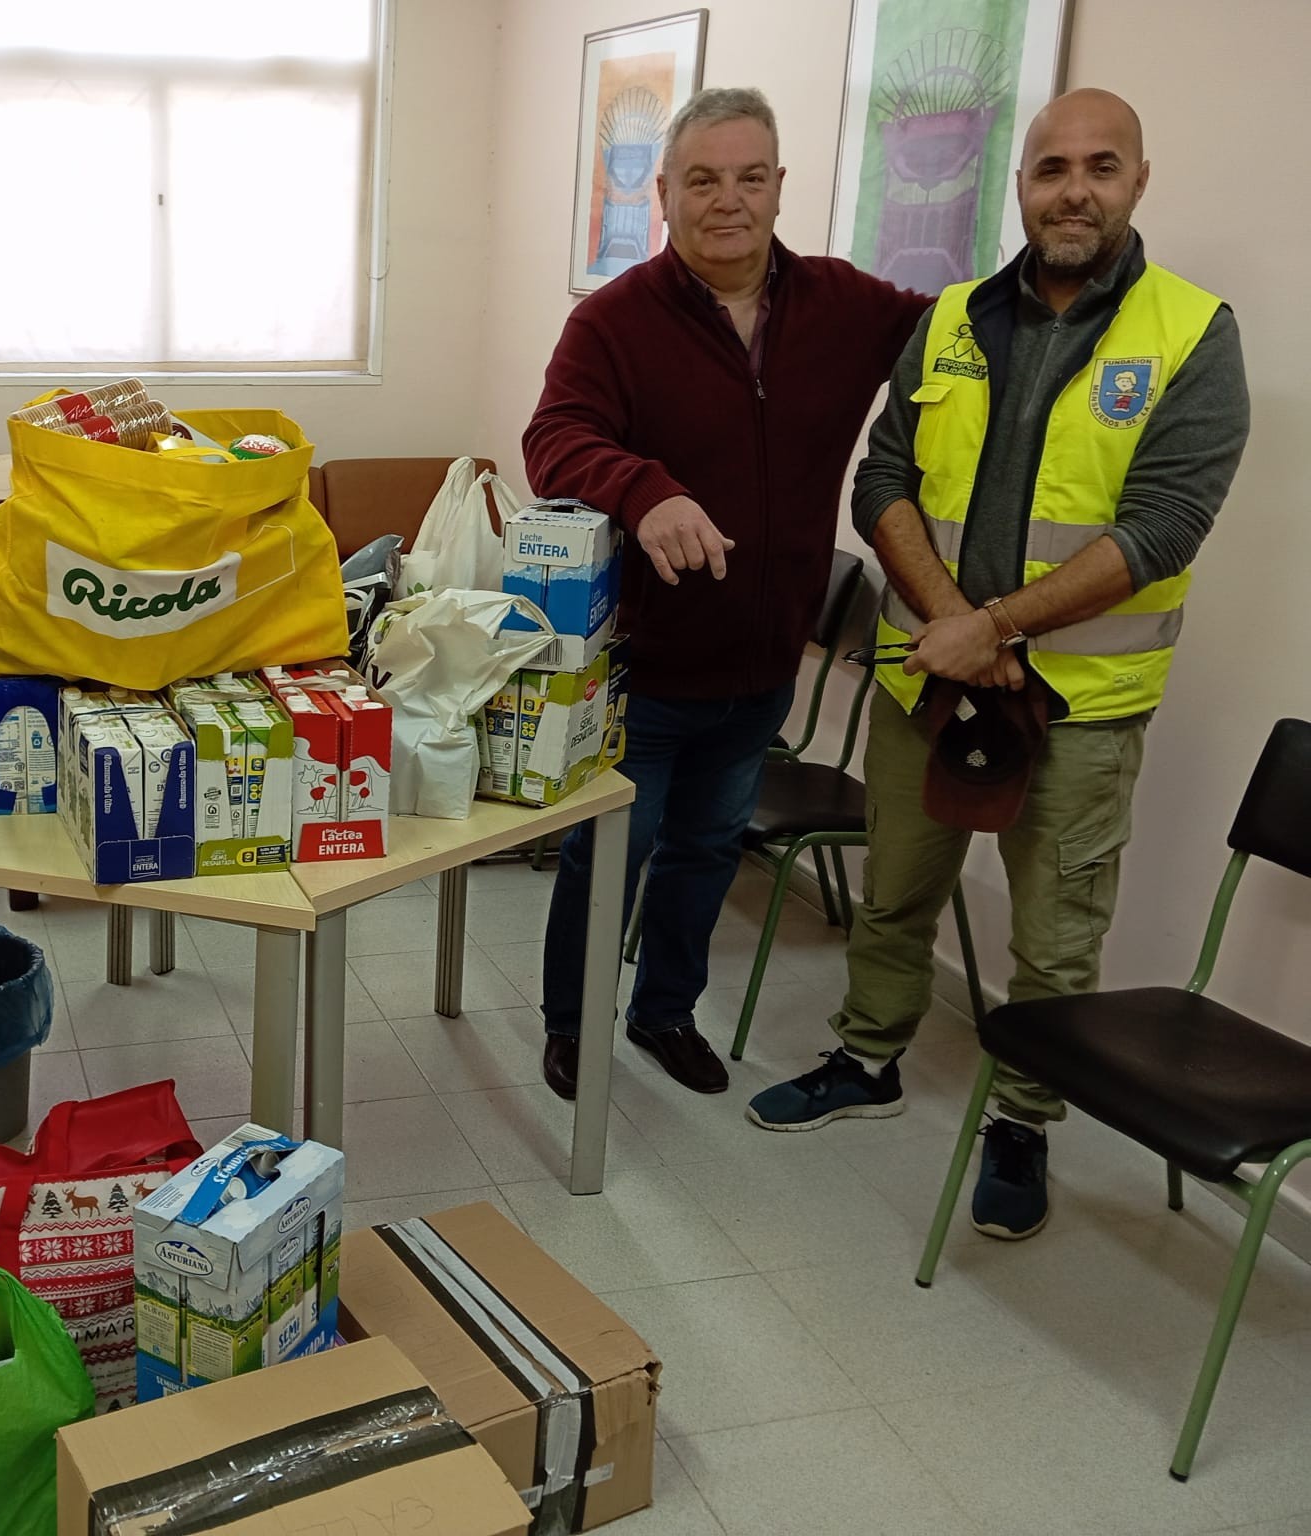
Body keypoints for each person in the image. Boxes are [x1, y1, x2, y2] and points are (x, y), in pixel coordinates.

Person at [745, 90, 1251, 1241]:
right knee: (893, 892)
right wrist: (953, 622)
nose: (1075, 189)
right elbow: (884, 478)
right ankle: (868, 1057)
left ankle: (1023, 1120)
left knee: (1055, 940)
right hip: (929, 674)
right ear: (1020, 182)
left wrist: (1001, 627)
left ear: (1139, 180)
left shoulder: (1189, 333)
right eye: (1052, 167)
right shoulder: (956, 319)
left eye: (1102, 166)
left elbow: (1164, 525)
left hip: (1078, 705)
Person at [525, 87, 928, 1100]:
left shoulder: (846, 306)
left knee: (706, 852)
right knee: (611, 852)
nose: (728, 200)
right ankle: (573, 1025)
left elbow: (960, 335)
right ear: (663, 193)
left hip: (763, 667)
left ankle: (664, 1012)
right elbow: (554, 442)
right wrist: (643, 487)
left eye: (751, 177)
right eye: (702, 180)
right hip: (647, 669)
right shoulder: (613, 320)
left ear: (781, 187)